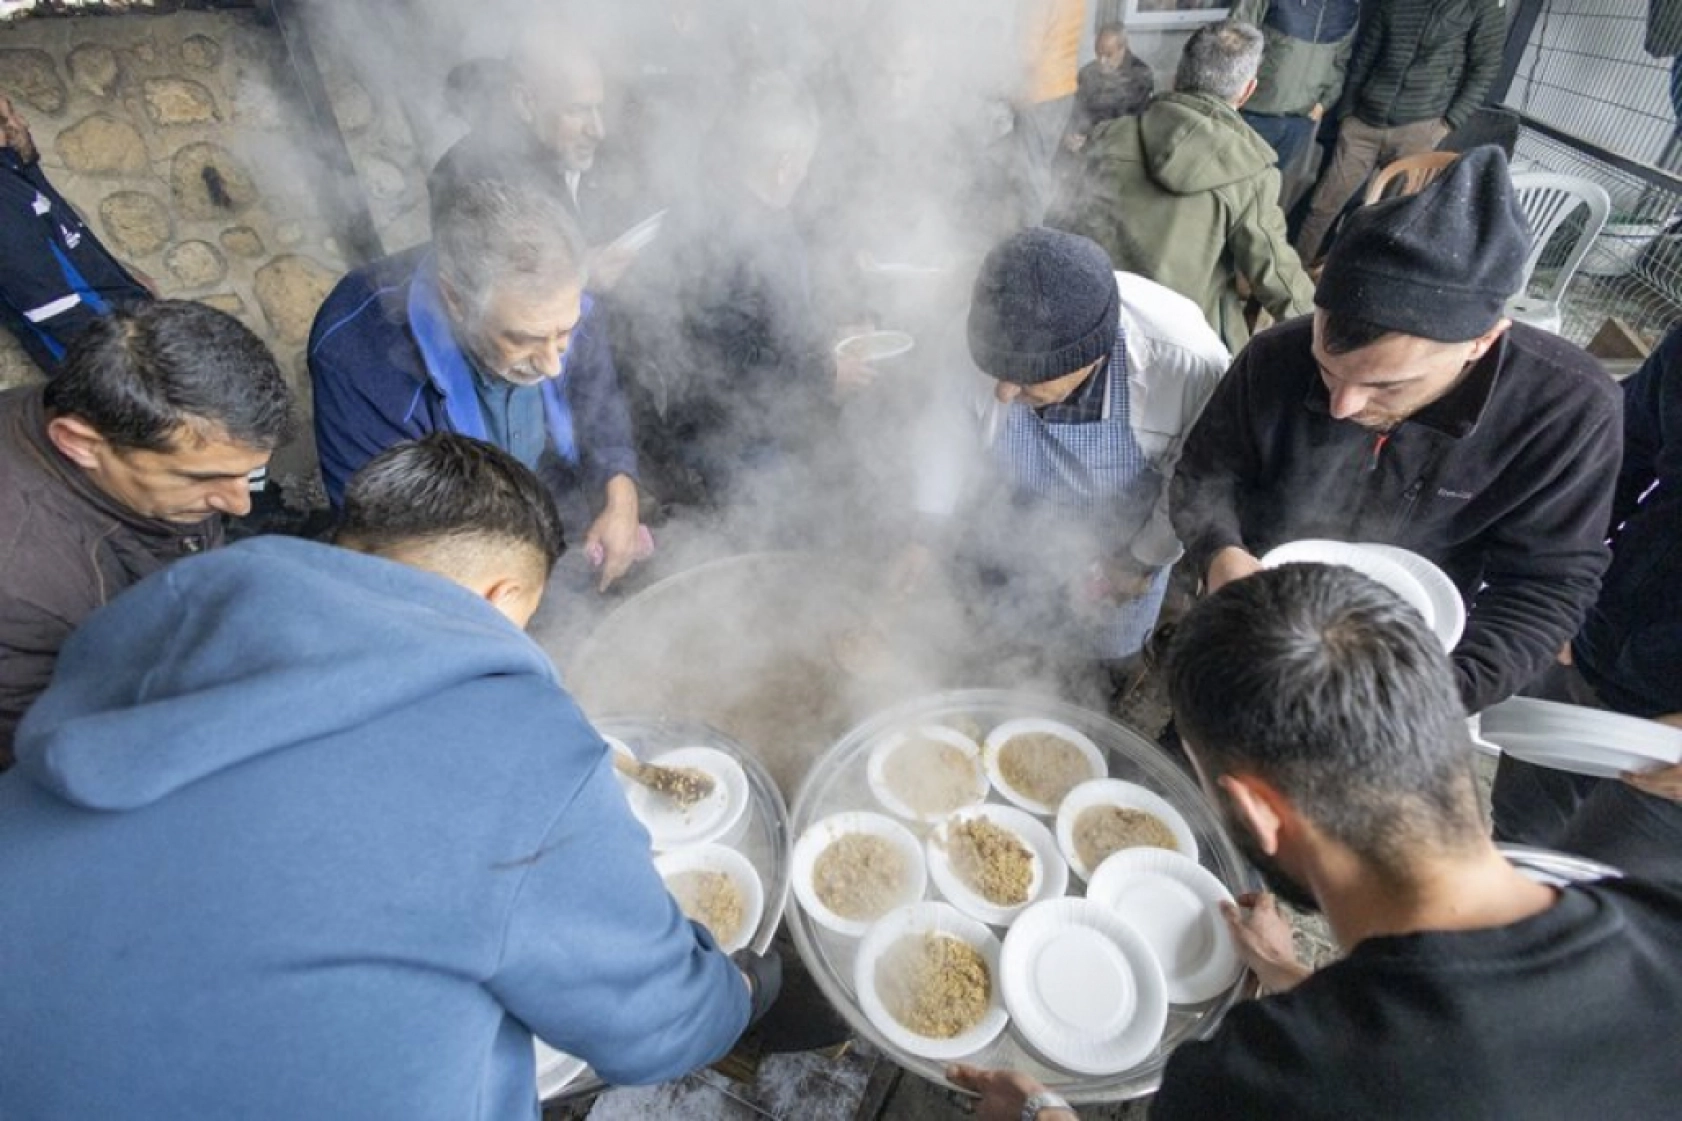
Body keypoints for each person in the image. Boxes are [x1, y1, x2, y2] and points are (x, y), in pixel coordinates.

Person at [0, 433, 777, 1119]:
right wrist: (739, 992)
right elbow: (656, 1024)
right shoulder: (517, 752)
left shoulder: (155, 632)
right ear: (503, 594)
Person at [950, 563, 1682, 1121]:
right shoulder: (1651, 912)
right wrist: (1296, 975)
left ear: (1254, 811)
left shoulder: (1260, 1079)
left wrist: (1045, 1113)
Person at [1170, 147, 1623, 715]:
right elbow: (1205, 473)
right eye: (1326, 370)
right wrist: (1219, 552)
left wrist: (1427, 702)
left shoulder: (1566, 411)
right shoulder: (1274, 357)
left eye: (1386, 387)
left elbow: (1545, 584)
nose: (1341, 406)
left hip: (1405, 670)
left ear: (1481, 342)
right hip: (1253, 618)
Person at [907, 227, 1229, 675]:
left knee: (1096, 668)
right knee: (995, 641)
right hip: (1013, 516)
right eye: (996, 372)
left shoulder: (1186, 362)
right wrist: (925, 535)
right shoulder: (976, 330)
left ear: (1091, 358)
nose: (1003, 393)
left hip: (1125, 532)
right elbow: (943, 435)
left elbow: (1193, 479)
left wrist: (1138, 561)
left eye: (1025, 380)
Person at [308, 177, 645, 590]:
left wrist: (620, 494)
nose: (553, 364)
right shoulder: (358, 351)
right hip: (442, 535)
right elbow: (383, 538)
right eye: (522, 339)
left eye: (565, 334)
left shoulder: (561, 298)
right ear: (455, 299)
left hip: (542, 485)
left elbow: (599, 401)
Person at [0, 300, 290, 768]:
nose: (240, 505)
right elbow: (46, 753)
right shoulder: (22, 582)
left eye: (250, 475)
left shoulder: (116, 411)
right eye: (202, 479)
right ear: (80, 444)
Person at [1492, 323, 1682, 880]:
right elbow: (1617, 454)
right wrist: (1562, 579)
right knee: (1518, 833)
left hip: (1671, 750)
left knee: (1599, 896)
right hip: (1596, 642)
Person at [610, 70, 841, 511]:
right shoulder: (774, 241)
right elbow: (748, 367)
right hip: (746, 453)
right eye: (805, 162)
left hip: (675, 442)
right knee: (754, 555)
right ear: (786, 165)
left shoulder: (687, 215)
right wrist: (829, 372)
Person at [1052, 19, 1314, 352]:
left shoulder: (1109, 135)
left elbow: (1061, 223)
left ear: (1177, 76)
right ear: (1248, 91)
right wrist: (1326, 338)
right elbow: (1276, 276)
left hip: (1095, 318)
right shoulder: (1252, 173)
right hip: (1179, 343)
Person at [1294, 0, 1506, 265]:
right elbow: (1366, 55)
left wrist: (1448, 122)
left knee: (1391, 216)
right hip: (1363, 121)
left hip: (1418, 126)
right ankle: (1291, 284)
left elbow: (1485, 68)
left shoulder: (1481, 7)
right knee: (1322, 205)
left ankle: (1358, 285)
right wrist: (1348, 111)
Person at [0, 95, 152, 372]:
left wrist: (130, 285)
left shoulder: (18, 176)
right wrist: (134, 359)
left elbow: (64, 248)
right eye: (7, 118)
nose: (21, 123)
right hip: (111, 361)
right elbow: (51, 305)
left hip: (130, 332)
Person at [1229, 0, 1360, 209]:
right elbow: (1233, 37)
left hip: (1298, 122)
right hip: (1251, 111)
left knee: (1260, 197)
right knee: (1225, 186)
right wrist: (1232, 96)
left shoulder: (1347, 9)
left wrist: (1323, 104)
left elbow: (1340, 61)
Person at [1063, 22, 1155, 152]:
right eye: (1098, 53)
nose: (1101, 61)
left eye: (1108, 55)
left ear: (1123, 48)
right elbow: (1075, 111)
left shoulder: (1141, 76)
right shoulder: (1087, 73)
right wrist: (1070, 134)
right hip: (1083, 143)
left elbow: (1132, 127)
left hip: (1118, 150)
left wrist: (1090, 141)